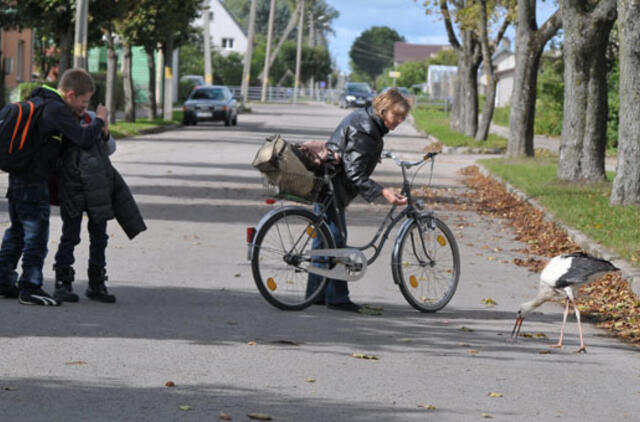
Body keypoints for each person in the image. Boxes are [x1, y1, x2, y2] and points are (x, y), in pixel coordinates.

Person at [0, 68, 108, 306]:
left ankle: (4, 280)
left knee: (17, 232)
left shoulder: (40, 101)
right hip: (33, 181)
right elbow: (82, 138)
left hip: (19, 178)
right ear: (70, 94)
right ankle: (31, 287)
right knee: (36, 235)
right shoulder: (56, 109)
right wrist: (99, 120)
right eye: (83, 100)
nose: (84, 106)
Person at [307, 89, 411, 312]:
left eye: (403, 117)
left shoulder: (367, 120)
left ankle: (315, 294)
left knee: (324, 240)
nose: (399, 121)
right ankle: (337, 298)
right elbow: (355, 174)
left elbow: (352, 155)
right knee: (336, 241)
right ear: (384, 110)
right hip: (332, 189)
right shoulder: (367, 129)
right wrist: (384, 192)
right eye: (397, 115)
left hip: (328, 184)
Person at [52, 110, 118, 303]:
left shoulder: (92, 118)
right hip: (71, 188)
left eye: (87, 102)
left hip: (96, 187)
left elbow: (110, 149)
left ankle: (97, 282)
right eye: (81, 101)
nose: (84, 106)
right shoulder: (62, 118)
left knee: (100, 237)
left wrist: (105, 133)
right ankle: (63, 281)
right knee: (70, 235)